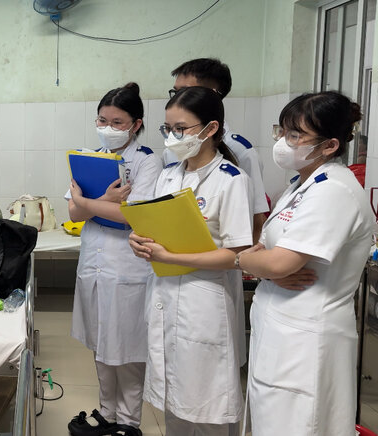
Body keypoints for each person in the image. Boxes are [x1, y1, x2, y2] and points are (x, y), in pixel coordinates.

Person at [236, 92, 372, 435]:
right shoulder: (302, 184)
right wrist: (264, 263)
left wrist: (245, 259)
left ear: (330, 145)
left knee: (301, 425)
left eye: (296, 135)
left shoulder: (333, 190)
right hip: (281, 328)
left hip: (307, 336)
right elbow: (270, 253)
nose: (284, 142)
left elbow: (279, 261)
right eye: (282, 131)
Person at [128, 87, 253, 435]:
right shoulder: (168, 175)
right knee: (175, 401)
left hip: (204, 301)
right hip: (165, 293)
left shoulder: (231, 180)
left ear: (210, 129)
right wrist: (138, 239)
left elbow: (237, 254)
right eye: (167, 129)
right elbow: (152, 226)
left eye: (181, 129)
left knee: (207, 403)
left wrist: (171, 256)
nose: (172, 136)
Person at [65, 83, 162, 436]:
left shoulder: (148, 160)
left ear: (136, 124)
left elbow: (134, 216)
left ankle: (129, 421)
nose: (108, 128)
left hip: (127, 266)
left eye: (117, 122)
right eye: (102, 120)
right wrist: (104, 201)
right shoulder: (88, 157)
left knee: (128, 346)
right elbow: (73, 212)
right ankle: (107, 412)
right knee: (100, 343)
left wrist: (90, 204)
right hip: (94, 262)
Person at [166, 58, 269, 242]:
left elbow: (255, 219)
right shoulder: (173, 145)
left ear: (211, 94)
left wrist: (245, 258)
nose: (177, 98)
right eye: (175, 92)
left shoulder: (241, 152)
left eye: (186, 91)